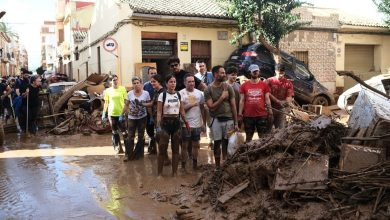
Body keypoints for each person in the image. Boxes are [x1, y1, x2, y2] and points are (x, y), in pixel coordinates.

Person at [204, 66, 239, 168]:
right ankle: (218, 167)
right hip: (216, 120)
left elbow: (233, 106)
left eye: (224, 73)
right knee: (217, 143)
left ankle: (226, 165)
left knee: (228, 143)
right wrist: (222, 97)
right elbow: (211, 107)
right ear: (215, 74)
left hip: (229, 120)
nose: (224, 75)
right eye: (222, 73)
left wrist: (236, 122)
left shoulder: (228, 87)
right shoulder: (208, 89)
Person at [156, 74, 190, 177]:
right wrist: (158, 126)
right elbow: (158, 112)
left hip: (176, 123)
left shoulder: (178, 95)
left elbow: (182, 111)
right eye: (171, 82)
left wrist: (187, 123)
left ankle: (174, 173)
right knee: (162, 149)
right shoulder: (162, 95)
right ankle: (159, 174)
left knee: (176, 150)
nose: (173, 84)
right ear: (166, 84)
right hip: (165, 123)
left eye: (174, 82)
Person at [238, 64, 273, 143]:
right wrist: (240, 114)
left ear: (259, 72)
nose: (255, 73)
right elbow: (242, 100)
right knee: (248, 138)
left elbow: (267, 99)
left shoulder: (264, 85)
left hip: (262, 115)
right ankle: (247, 154)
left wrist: (270, 112)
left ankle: (262, 154)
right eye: (253, 71)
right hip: (248, 116)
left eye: (256, 71)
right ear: (250, 72)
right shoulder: (244, 85)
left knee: (262, 138)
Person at [179, 73, 205, 171]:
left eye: (193, 81)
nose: (191, 83)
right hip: (185, 124)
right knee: (185, 145)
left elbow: (202, 109)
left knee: (196, 145)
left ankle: (194, 165)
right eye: (189, 81)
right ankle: (183, 166)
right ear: (184, 83)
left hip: (197, 123)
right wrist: (191, 104)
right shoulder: (181, 93)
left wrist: (203, 123)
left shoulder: (200, 93)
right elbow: (181, 110)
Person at [123, 76, 151, 161]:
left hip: (142, 118)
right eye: (134, 83)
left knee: (141, 136)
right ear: (132, 85)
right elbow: (127, 105)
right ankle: (128, 155)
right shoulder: (130, 93)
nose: (136, 85)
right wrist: (123, 115)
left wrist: (151, 117)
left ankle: (139, 154)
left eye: (137, 83)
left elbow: (148, 106)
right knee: (130, 136)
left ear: (141, 84)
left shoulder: (146, 93)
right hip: (132, 118)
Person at [102, 75, 128, 154]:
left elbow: (126, 101)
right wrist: (104, 113)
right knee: (115, 132)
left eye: (116, 80)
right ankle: (119, 148)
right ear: (110, 82)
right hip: (112, 114)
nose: (115, 81)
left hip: (121, 114)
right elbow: (106, 102)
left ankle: (128, 149)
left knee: (124, 132)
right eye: (113, 80)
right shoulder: (108, 91)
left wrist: (126, 112)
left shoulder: (123, 89)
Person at [267, 64, 294, 129]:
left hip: (281, 109)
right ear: (275, 71)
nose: (280, 73)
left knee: (280, 131)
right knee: (267, 131)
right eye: (279, 71)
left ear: (284, 72)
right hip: (270, 108)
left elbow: (289, 96)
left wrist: (286, 102)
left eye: (282, 71)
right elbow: (267, 93)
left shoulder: (288, 83)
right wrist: (278, 101)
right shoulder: (269, 81)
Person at [143, 67, 158, 154]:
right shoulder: (146, 85)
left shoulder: (161, 84)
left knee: (159, 130)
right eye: (151, 73)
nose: (153, 75)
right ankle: (152, 147)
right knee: (149, 130)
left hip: (159, 111)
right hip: (148, 111)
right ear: (148, 75)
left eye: (155, 73)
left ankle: (159, 149)